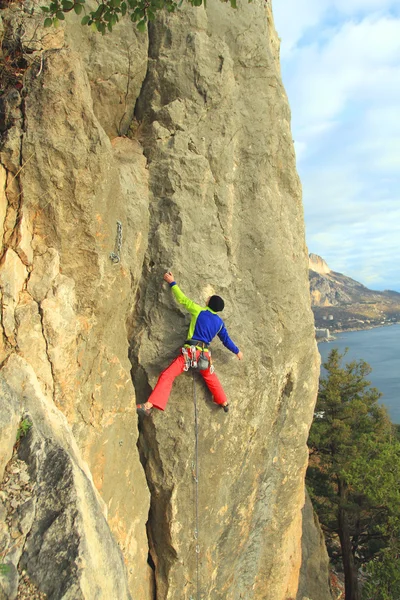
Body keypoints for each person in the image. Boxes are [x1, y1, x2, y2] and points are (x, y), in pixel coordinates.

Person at [136, 272, 243, 415]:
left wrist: (172, 282)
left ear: (209, 303)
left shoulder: (198, 311)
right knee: (210, 375)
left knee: (168, 375)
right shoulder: (219, 323)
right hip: (204, 355)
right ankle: (223, 401)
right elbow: (226, 340)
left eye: (209, 298)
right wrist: (237, 351)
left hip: (190, 353)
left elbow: (182, 299)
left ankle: (149, 405)